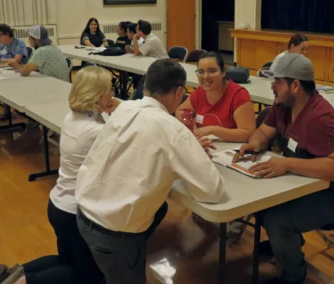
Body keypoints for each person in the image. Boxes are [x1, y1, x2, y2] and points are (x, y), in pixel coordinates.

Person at [76, 59, 224, 284]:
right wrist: (193, 153)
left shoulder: (124, 108)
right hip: (113, 233)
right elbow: (211, 191)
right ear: (179, 92)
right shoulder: (172, 130)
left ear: (145, 86)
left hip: (84, 214)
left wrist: (186, 150)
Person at [234, 53, 334, 284]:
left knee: (277, 220)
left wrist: (288, 163)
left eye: (277, 81)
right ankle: (288, 243)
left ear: (295, 85)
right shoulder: (284, 104)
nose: (272, 86)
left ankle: (294, 277)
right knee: (259, 204)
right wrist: (254, 143)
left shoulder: (319, 118)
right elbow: (264, 131)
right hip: (304, 182)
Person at [0, 66, 119, 284]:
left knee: (67, 260)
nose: (113, 95)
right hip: (74, 213)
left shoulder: (73, 117)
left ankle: (12, 274)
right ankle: (21, 282)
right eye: (110, 90)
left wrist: (109, 105)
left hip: (59, 204)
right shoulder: (94, 132)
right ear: (95, 96)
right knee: (88, 276)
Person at [176, 52, 255, 142]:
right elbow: (180, 111)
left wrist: (213, 130)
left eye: (212, 71)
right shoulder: (200, 92)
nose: (205, 76)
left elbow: (248, 134)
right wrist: (190, 123)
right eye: (201, 72)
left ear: (223, 73)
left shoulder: (239, 95)